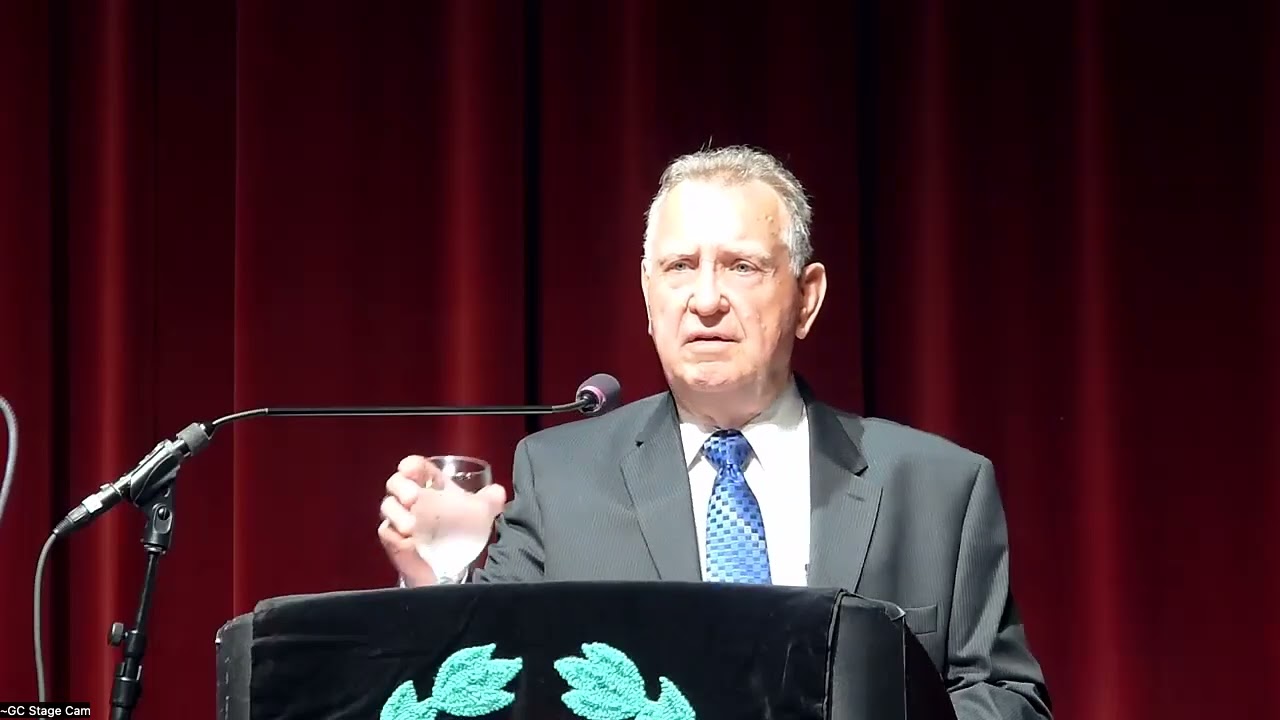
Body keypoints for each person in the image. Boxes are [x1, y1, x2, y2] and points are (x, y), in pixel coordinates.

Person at [377, 145, 1052, 719]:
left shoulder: (937, 487)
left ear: (807, 297)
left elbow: (1004, 698)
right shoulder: (560, 479)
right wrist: (439, 576)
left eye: (741, 266)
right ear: (648, 296)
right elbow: (492, 678)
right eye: (679, 268)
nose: (705, 300)